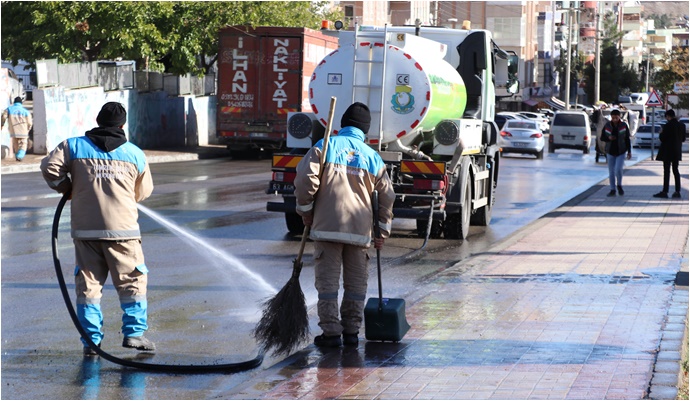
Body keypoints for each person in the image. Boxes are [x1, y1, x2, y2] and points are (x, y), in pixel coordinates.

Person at [40, 102, 155, 356]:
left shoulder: (73, 146)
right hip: (123, 232)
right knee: (132, 281)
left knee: (88, 287)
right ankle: (134, 335)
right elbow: (143, 192)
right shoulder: (134, 153)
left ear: (98, 120)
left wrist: (66, 187)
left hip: (86, 231)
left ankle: (91, 341)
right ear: (122, 125)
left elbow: (49, 168)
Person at [294, 102, 395, 348]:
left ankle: (330, 333)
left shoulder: (325, 146)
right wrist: (381, 231)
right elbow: (386, 196)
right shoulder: (373, 157)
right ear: (365, 130)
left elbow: (305, 181)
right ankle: (351, 332)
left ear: (343, 124)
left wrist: (306, 211)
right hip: (360, 234)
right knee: (356, 284)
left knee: (327, 286)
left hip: (326, 229)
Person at [653, 109, 686, 199]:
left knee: (666, 171)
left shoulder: (667, 126)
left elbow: (663, 139)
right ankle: (677, 191)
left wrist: (661, 133)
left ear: (668, 116)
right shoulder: (682, 126)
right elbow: (683, 139)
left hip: (667, 152)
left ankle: (665, 191)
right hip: (677, 151)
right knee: (676, 171)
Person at [600, 109, 632, 197]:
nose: (614, 119)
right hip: (610, 151)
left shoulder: (624, 125)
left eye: (616, 117)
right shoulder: (607, 126)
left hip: (621, 151)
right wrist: (608, 138)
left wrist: (629, 151)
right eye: (613, 117)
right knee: (611, 172)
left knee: (618, 169)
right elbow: (602, 137)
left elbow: (627, 139)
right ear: (611, 117)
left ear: (619, 117)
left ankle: (619, 185)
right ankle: (612, 189)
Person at [1, 97, 33, 161]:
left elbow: (4, 116)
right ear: (21, 103)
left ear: (14, 102)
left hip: (13, 131)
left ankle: (17, 155)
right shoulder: (25, 111)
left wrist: (2, 124)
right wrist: (28, 128)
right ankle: (19, 156)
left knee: (15, 144)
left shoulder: (9, 109)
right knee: (23, 144)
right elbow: (29, 122)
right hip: (23, 131)